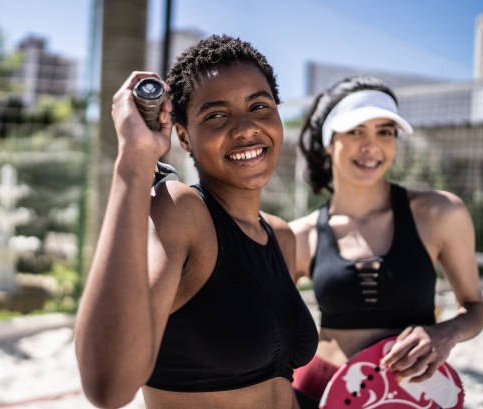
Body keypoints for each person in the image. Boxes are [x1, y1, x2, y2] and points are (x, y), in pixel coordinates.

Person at [75, 35, 318, 409]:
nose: (246, 128)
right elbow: (107, 388)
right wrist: (135, 160)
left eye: (259, 106)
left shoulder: (280, 235)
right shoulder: (181, 211)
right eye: (216, 115)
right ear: (184, 137)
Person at [289, 76, 483, 405]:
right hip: (322, 390)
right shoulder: (301, 235)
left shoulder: (439, 213)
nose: (371, 146)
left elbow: (476, 308)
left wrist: (444, 334)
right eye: (355, 131)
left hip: (411, 392)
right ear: (328, 140)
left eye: (385, 131)